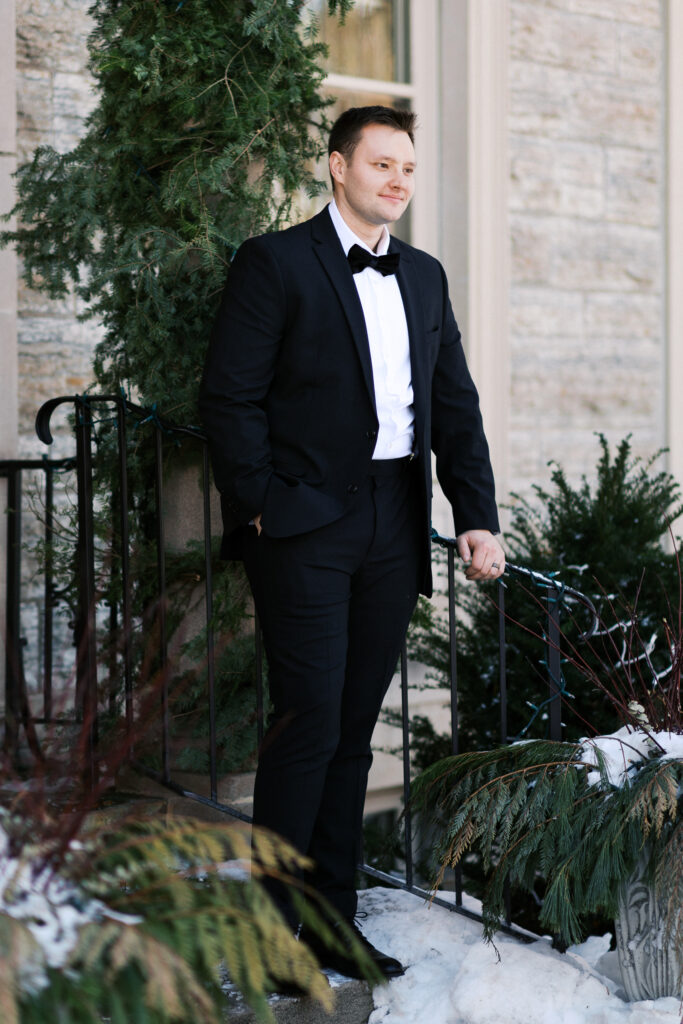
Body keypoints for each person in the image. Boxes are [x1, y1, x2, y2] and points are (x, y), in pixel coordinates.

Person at [199, 105, 505, 981]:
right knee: (308, 722)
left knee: (351, 731)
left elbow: (453, 404)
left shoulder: (425, 275)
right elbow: (229, 395)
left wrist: (475, 514)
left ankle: (333, 926)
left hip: (393, 522)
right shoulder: (275, 262)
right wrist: (259, 504)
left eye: (406, 167)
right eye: (380, 164)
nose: (397, 180)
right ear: (337, 167)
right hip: (302, 523)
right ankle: (270, 936)